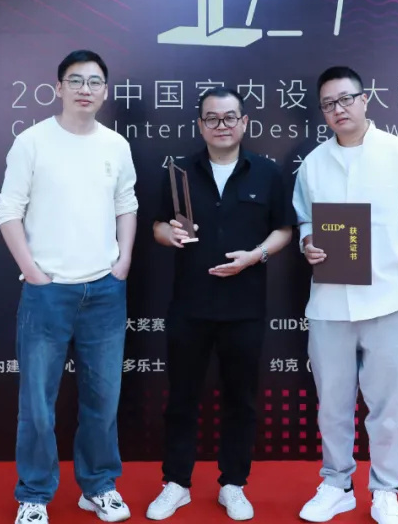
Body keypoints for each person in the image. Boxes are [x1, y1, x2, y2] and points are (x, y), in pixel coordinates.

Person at [0, 50, 138, 524]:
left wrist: (122, 262)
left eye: (94, 82)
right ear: (58, 88)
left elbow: (126, 203)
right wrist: (33, 272)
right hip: (47, 292)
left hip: (105, 291)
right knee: (37, 404)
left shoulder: (115, 145)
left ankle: (99, 487)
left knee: (103, 400)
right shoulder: (32, 142)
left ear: (105, 91)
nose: (85, 89)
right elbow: (8, 210)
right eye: (75, 80)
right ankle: (34, 495)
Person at [291, 66, 398, 524]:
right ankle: (337, 484)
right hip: (329, 303)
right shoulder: (314, 163)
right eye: (328, 104)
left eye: (345, 99)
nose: (338, 109)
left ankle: (386, 491)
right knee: (332, 405)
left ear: (364, 99)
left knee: (387, 407)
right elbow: (304, 220)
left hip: (390, 301)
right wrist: (307, 242)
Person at [145, 86, 295, 522]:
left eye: (230, 117)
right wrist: (167, 235)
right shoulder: (178, 173)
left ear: (244, 122)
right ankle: (176, 483)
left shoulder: (267, 172)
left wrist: (255, 256)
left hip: (244, 307)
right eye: (212, 118)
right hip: (189, 305)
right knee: (181, 398)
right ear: (200, 125)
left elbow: (284, 229)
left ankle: (233, 483)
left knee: (240, 400)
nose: (221, 125)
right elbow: (157, 225)